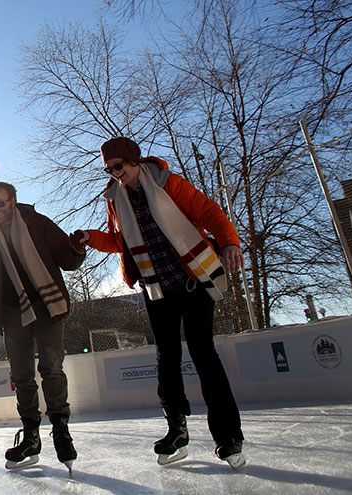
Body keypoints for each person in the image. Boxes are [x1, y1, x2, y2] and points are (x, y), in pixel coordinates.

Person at [73, 137, 246, 470]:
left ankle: (228, 436)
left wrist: (229, 243)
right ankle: (176, 430)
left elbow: (209, 211)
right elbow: (120, 242)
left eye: (118, 166)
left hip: (192, 279)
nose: (114, 173)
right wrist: (90, 238)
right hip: (156, 288)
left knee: (202, 352)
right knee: (166, 357)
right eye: (108, 169)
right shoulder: (116, 198)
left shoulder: (169, 183)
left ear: (134, 161)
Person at [0, 181, 86, 473]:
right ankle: (31, 436)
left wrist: (76, 248)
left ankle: (61, 429)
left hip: (47, 306)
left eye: (0, 203)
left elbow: (67, 259)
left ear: (12, 201)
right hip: (11, 313)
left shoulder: (36, 223)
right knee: (22, 376)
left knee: (51, 368)